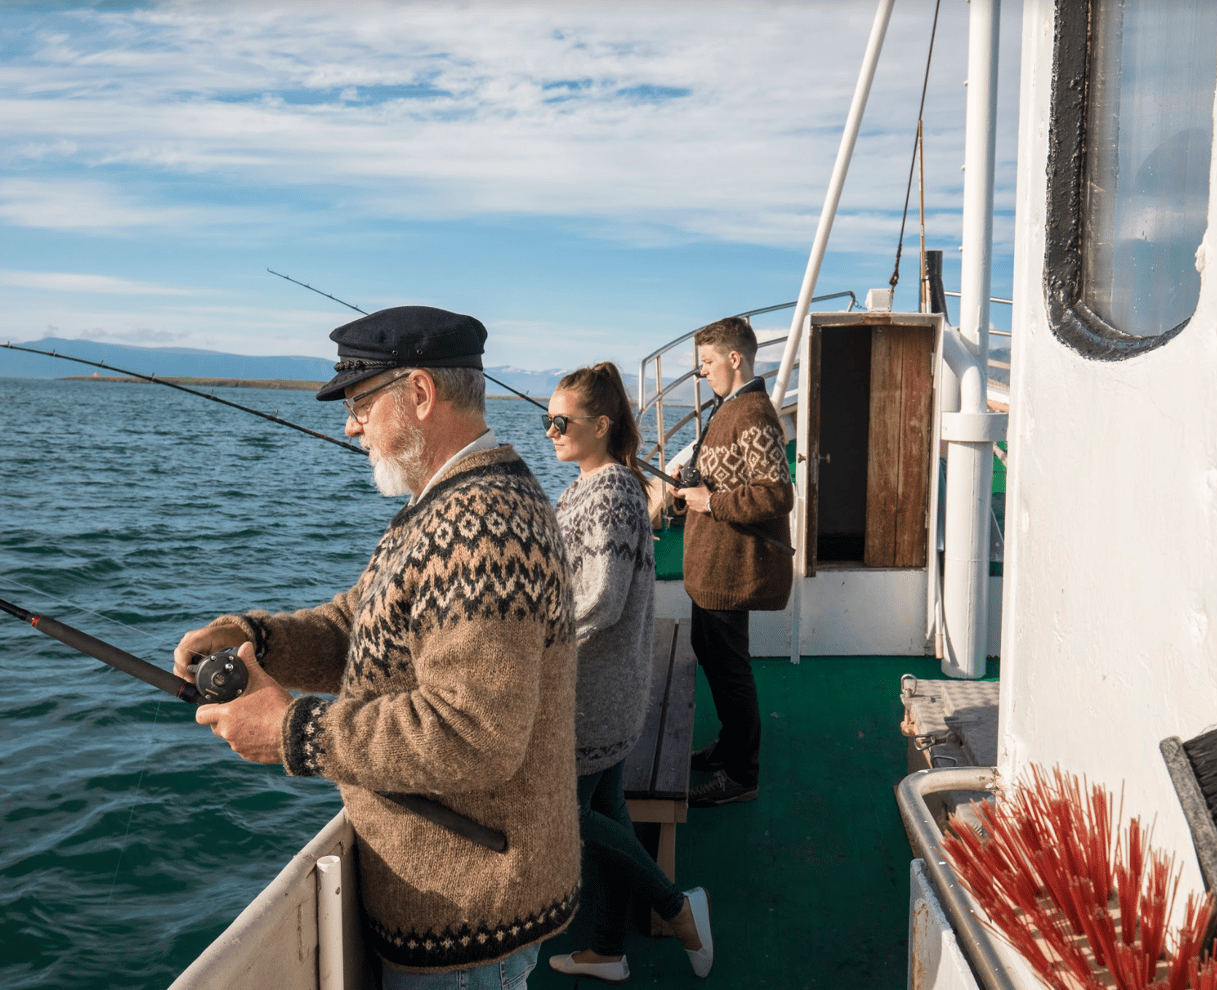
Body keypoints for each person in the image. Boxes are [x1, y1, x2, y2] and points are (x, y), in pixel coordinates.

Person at [172, 306, 580, 990]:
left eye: (361, 403)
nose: (350, 425)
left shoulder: (480, 529)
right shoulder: (446, 506)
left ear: (419, 394)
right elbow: (352, 626)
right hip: (452, 909)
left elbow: (473, 735)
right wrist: (257, 639)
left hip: (468, 926)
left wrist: (292, 731)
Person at [542, 363, 714, 983]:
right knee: (609, 814)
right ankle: (609, 948)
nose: (551, 431)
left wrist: (536, 643)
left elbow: (602, 599)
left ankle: (675, 906)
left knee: (557, 815)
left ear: (602, 425)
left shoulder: (609, 491)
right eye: (547, 420)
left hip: (594, 688)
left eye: (561, 422)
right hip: (609, 684)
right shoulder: (602, 486)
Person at [672, 316, 794, 808]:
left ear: (734, 359)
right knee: (714, 655)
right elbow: (724, 477)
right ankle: (729, 747)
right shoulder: (729, 409)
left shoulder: (753, 413)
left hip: (731, 569)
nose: (702, 372)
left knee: (730, 669)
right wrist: (692, 482)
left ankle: (742, 774)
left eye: (706, 362)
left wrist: (711, 503)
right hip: (713, 568)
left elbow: (777, 494)